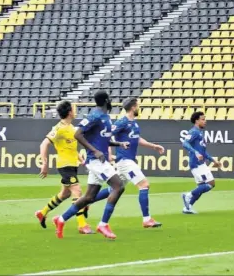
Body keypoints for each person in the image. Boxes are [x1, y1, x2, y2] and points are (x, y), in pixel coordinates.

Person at [53, 91, 128, 240]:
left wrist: (118, 143)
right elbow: (78, 134)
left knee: (89, 197)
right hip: (96, 160)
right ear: (107, 100)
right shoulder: (95, 115)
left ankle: (61, 219)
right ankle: (103, 224)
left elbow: (103, 140)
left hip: (100, 159)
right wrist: (94, 150)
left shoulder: (105, 117)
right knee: (118, 186)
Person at [106, 98, 165, 228]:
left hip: (127, 161)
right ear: (133, 107)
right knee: (144, 185)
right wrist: (109, 153)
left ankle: (88, 200)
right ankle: (147, 219)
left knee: (114, 188)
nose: (139, 107)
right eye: (137, 105)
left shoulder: (134, 123)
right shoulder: (122, 121)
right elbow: (106, 135)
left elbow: (136, 139)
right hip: (124, 161)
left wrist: (153, 146)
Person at [35, 101, 92, 234]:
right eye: (73, 108)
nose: (75, 110)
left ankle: (42, 213)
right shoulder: (58, 128)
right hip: (64, 165)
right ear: (69, 112)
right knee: (77, 192)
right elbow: (44, 144)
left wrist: (81, 159)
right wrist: (44, 163)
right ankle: (82, 225)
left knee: (65, 194)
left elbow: (71, 148)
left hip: (72, 164)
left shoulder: (72, 128)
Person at [180, 111, 219, 214]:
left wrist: (213, 160)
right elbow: (185, 143)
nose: (205, 121)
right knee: (211, 183)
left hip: (200, 163)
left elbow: (203, 151)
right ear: (197, 121)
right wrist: (195, 152)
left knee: (201, 187)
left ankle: (188, 208)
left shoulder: (200, 133)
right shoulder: (194, 132)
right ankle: (188, 195)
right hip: (197, 163)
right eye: (203, 119)